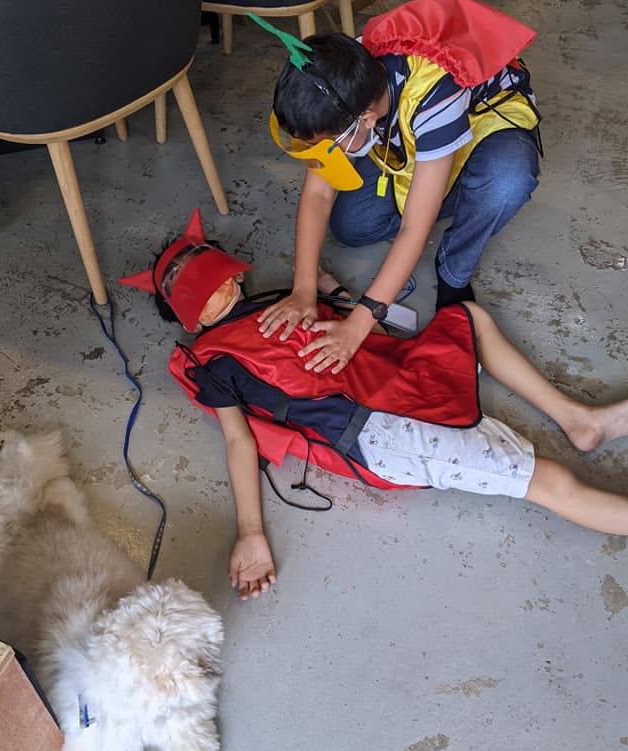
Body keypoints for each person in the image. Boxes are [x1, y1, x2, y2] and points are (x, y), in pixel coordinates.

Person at [121, 210, 628, 602]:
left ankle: (578, 420)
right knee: (551, 482)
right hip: (379, 432)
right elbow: (239, 440)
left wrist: (332, 292)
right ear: (188, 320)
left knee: (467, 318)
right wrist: (251, 532)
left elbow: (346, 331)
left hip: (391, 379)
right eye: (202, 291)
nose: (223, 287)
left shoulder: (278, 300)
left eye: (221, 276)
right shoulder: (211, 361)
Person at [256, 0, 543, 376]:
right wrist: (304, 289)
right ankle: (436, 184)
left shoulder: (436, 92)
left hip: (485, 126)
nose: (321, 154)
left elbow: (413, 229)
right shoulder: (337, 77)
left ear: (365, 119)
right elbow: (319, 193)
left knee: (505, 181)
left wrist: (358, 325)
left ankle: (454, 272)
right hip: (408, 133)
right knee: (353, 227)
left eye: (326, 144)